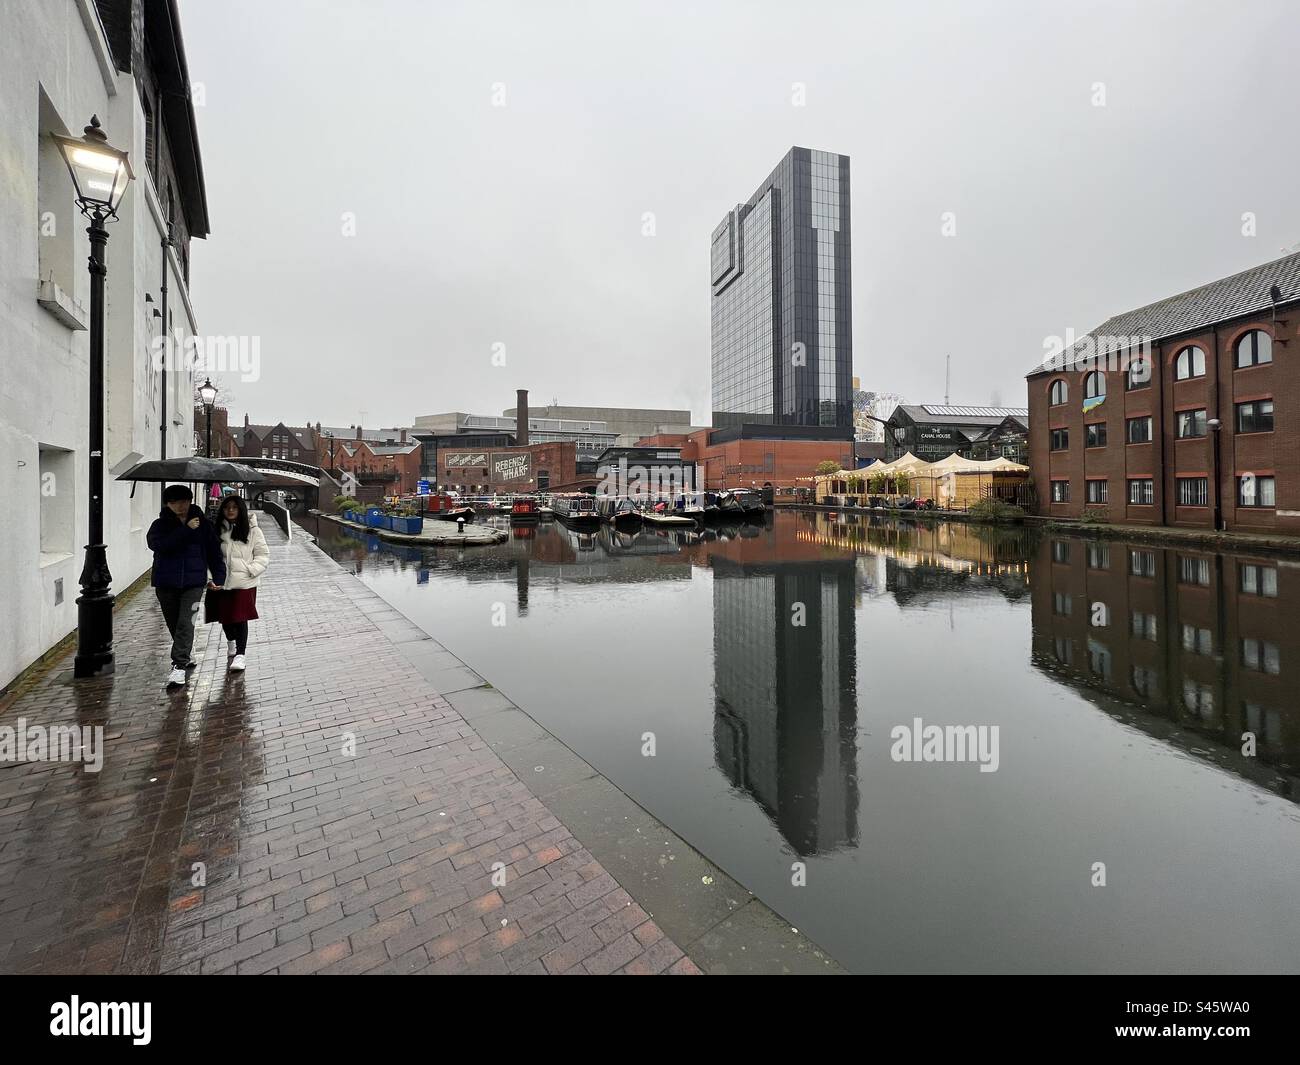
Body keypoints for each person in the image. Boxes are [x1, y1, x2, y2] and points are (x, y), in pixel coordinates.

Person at [147, 484, 226, 688]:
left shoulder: (204, 525)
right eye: (175, 503)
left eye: (184, 501)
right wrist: (185, 530)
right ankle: (185, 654)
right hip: (166, 582)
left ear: (190, 501)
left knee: (186, 622)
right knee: (174, 624)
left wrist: (219, 577)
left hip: (193, 583)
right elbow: (160, 546)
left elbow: (214, 553)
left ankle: (179, 666)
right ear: (168, 504)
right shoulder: (159, 526)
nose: (180, 506)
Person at [209, 494, 269, 672]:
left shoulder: (253, 530)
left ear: (241, 509)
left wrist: (251, 570)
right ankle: (231, 642)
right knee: (226, 618)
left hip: (244, 581)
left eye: (234, 507)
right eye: (227, 507)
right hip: (222, 581)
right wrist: (210, 577)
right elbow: (210, 556)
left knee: (240, 617)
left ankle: (241, 655)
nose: (231, 510)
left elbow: (262, 555)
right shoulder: (217, 530)